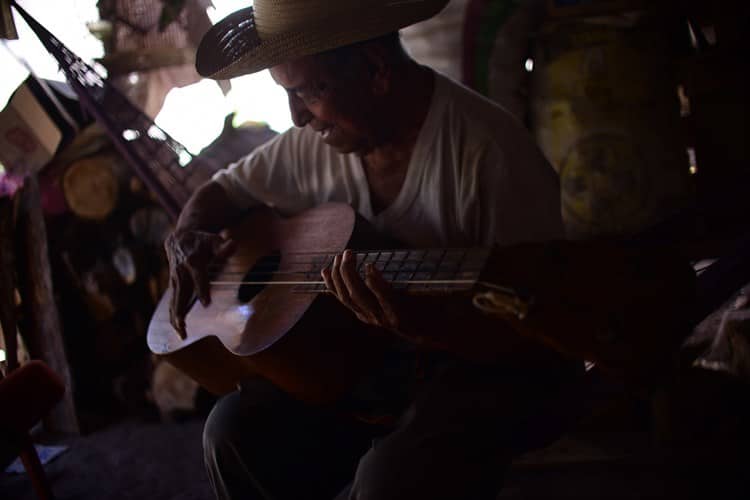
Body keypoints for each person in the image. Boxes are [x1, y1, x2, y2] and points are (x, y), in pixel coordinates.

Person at [165, 1, 579, 498]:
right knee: (233, 430)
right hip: (362, 365)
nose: (296, 117)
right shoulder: (312, 146)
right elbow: (221, 191)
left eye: (305, 92)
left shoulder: (489, 152)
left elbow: (547, 339)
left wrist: (425, 323)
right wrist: (185, 235)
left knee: (390, 478)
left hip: (484, 370)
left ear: (376, 70)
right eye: (287, 94)